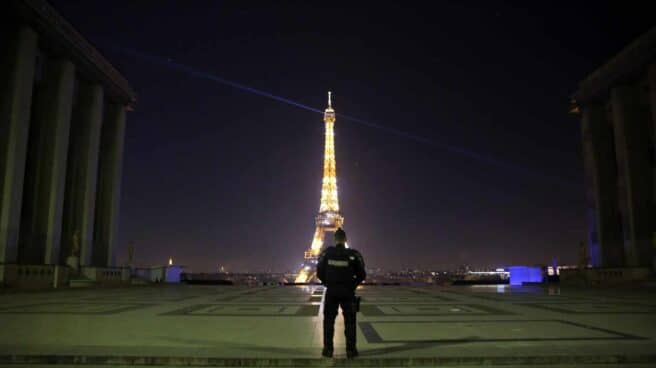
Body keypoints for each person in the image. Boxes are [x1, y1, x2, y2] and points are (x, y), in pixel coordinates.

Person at [316, 227, 366, 359]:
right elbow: (362, 274)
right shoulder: (354, 254)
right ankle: (351, 350)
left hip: (332, 292)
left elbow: (319, 272)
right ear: (345, 240)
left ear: (334, 239)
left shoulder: (327, 253)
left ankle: (328, 350)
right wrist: (352, 285)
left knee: (328, 321)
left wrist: (329, 283)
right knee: (350, 322)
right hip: (348, 293)